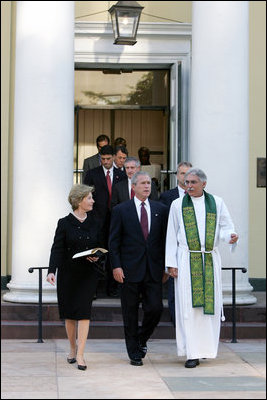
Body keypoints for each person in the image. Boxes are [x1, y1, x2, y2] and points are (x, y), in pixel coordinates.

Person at [165, 167, 239, 368]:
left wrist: (230, 237)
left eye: (193, 182)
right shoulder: (177, 205)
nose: (188, 186)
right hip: (186, 260)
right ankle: (191, 352)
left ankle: (206, 349)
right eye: (186, 182)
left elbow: (226, 227)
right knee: (188, 308)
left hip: (209, 260)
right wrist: (171, 263)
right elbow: (172, 235)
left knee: (209, 308)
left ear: (203, 184)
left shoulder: (217, 202)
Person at [109, 171, 169, 366]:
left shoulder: (161, 209)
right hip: (128, 270)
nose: (147, 186)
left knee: (155, 309)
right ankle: (134, 352)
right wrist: (116, 266)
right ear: (133, 187)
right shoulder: (121, 210)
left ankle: (141, 339)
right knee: (130, 313)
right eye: (143, 183)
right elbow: (114, 242)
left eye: (149, 183)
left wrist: (166, 267)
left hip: (153, 270)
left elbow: (164, 241)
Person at [46, 184, 105, 371]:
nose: (93, 201)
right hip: (68, 274)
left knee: (84, 313)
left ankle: (80, 354)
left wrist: (98, 255)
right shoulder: (64, 223)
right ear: (79, 201)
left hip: (87, 274)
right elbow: (57, 249)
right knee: (70, 314)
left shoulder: (95, 221)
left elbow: (100, 246)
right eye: (89, 198)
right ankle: (72, 349)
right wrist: (51, 271)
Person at [84, 145, 126, 297]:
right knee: (95, 254)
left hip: (115, 220)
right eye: (103, 159)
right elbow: (85, 195)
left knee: (113, 253)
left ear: (114, 157)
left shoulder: (121, 175)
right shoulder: (92, 174)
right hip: (96, 220)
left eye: (108, 159)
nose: (106, 162)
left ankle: (112, 288)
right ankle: (93, 289)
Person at [159, 161, 192, 325]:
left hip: (192, 250)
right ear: (177, 175)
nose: (185, 177)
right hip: (174, 248)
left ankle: (189, 320)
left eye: (188, 174)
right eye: (181, 173)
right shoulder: (166, 197)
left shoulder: (199, 196)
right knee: (174, 285)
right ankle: (175, 320)